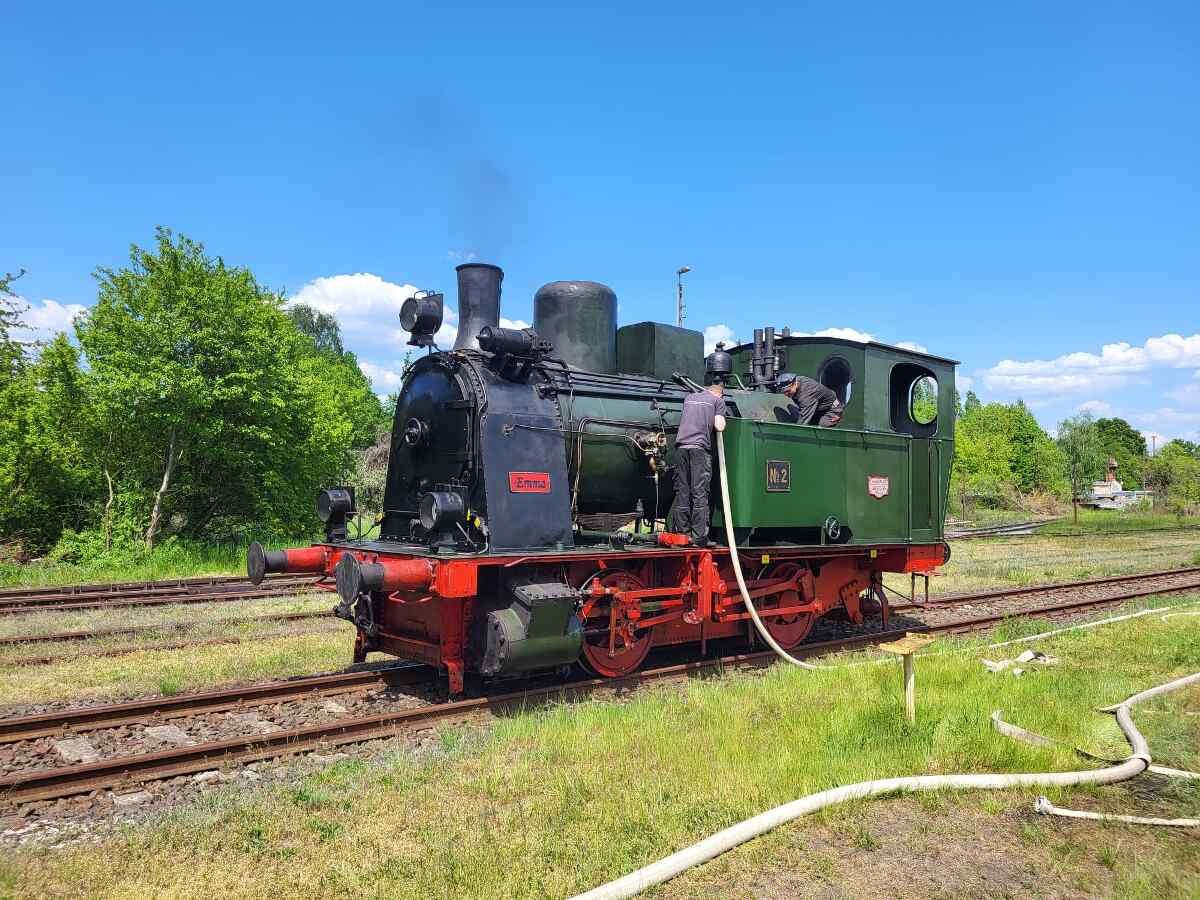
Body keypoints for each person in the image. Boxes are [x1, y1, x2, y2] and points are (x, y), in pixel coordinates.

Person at [672, 381, 727, 547]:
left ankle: (682, 535)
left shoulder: (689, 398)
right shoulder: (717, 401)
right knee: (699, 492)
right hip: (699, 449)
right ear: (720, 394)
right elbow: (719, 426)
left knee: (682, 491)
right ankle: (699, 537)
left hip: (681, 448)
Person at [777, 373, 843, 427]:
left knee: (818, 427)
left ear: (795, 383)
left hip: (831, 411)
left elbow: (803, 423)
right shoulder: (798, 379)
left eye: (788, 391)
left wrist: (796, 432)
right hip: (817, 408)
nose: (786, 394)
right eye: (784, 392)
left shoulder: (806, 394)